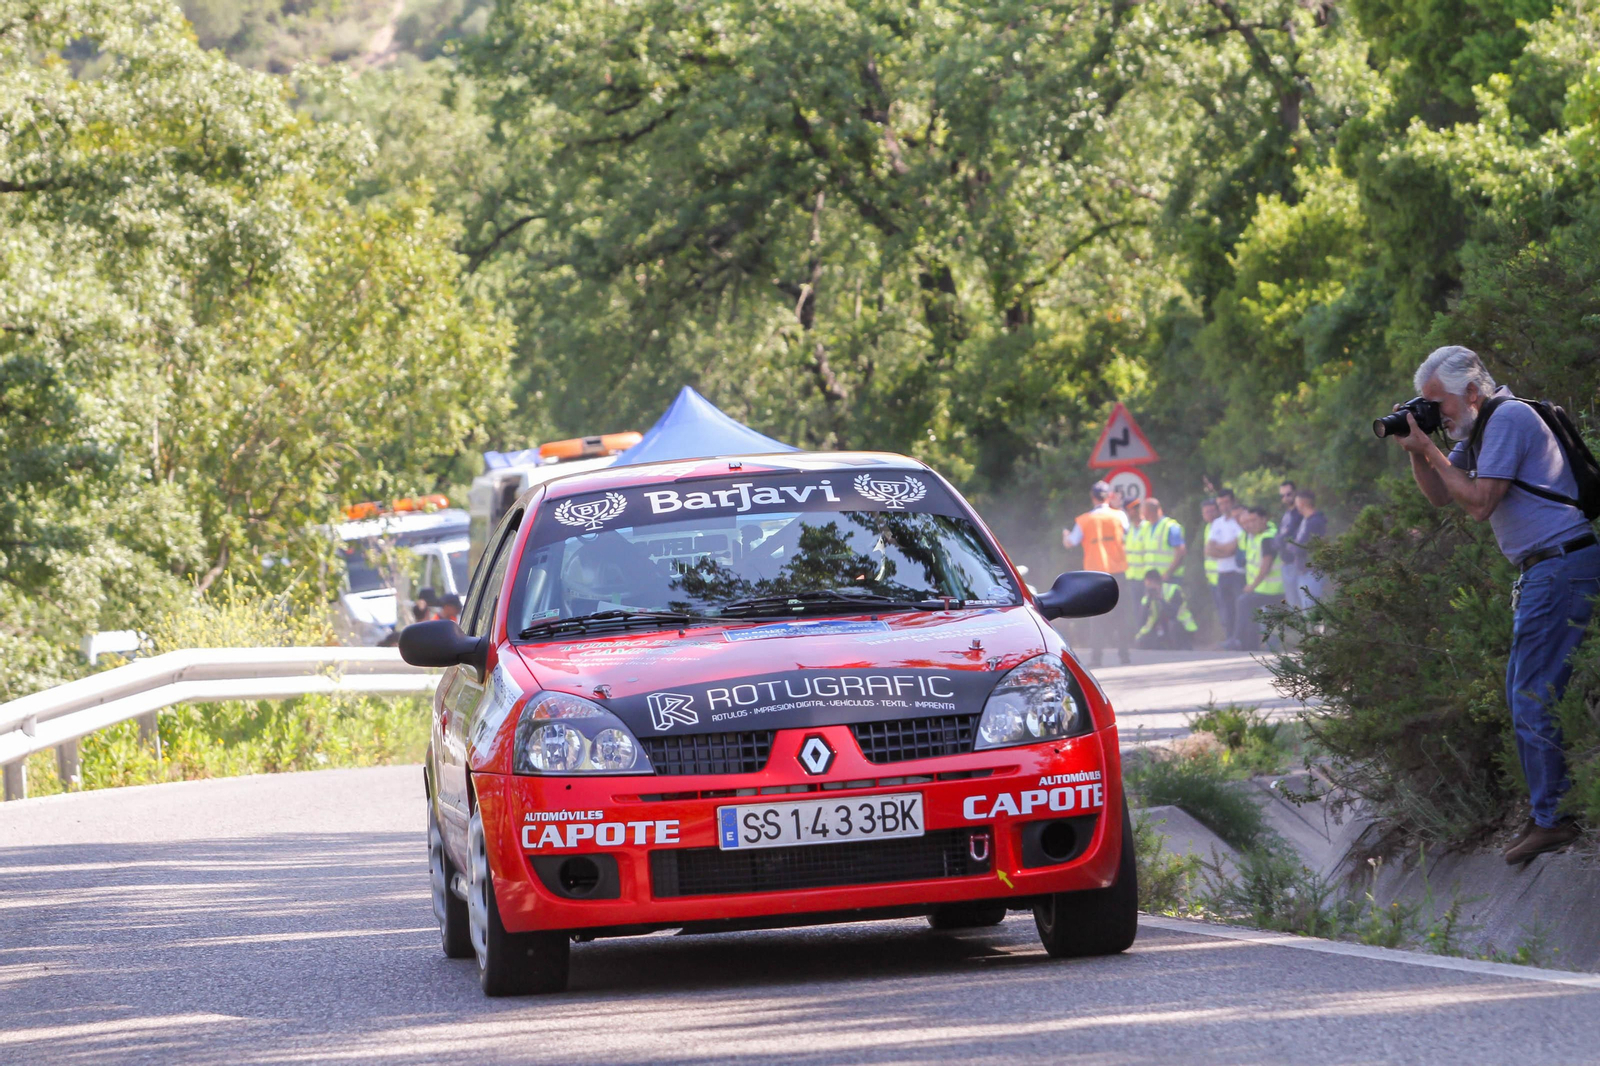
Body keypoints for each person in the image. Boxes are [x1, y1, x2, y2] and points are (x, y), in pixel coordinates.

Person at [1390, 345, 1600, 863]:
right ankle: (1548, 813)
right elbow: (1443, 495)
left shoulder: (1507, 419)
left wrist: (1431, 449)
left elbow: (1480, 504)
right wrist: (1419, 449)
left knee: (1532, 693)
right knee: (1524, 690)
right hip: (1546, 569)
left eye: (1440, 405)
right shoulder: (1479, 428)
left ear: (1472, 392)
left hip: (1558, 566)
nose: (1438, 416)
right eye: (1429, 406)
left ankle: (1554, 819)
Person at [1064, 480, 1131, 666]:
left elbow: (1071, 542)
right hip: (1118, 572)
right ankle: (1124, 656)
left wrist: (1065, 536)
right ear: (1108, 496)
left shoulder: (1084, 520)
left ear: (1092, 497)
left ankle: (1096, 658)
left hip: (1094, 575)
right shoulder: (1120, 516)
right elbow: (1129, 534)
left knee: (1097, 618)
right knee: (1121, 615)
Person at [1225, 508, 1284, 651]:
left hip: (1273, 589)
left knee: (1243, 602)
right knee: (1267, 621)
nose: (1250, 524)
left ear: (1264, 520)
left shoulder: (1267, 537)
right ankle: (1250, 644)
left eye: (1253, 520)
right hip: (1264, 588)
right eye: (1247, 521)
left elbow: (1266, 565)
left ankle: (1238, 639)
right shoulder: (1254, 537)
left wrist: (1252, 585)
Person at [1205, 488, 1246, 644]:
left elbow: (1234, 547)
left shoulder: (1240, 521)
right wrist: (1225, 550)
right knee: (1226, 608)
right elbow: (1209, 549)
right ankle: (1230, 638)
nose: (1223, 506)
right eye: (1220, 503)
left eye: (1226, 502)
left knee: (1239, 608)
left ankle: (1240, 639)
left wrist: (1221, 549)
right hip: (1222, 572)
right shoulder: (1217, 523)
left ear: (1233, 502)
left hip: (1237, 572)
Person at [1127, 497, 1186, 585]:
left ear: (1151, 511)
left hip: (1170, 578)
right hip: (1152, 580)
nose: (1142, 514)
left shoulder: (1170, 527)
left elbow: (1180, 552)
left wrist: (1169, 573)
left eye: (1144, 511)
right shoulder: (1146, 527)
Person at [1136, 568, 1197, 650]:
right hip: (1161, 626)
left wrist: (1160, 599)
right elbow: (1142, 620)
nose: (1149, 588)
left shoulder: (1173, 590)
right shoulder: (1147, 597)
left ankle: (1180, 645)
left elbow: (1174, 613)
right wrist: (1149, 601)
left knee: (1172, 625)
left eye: (1151, 585)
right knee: (1143, 641)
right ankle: (1162, 644)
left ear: (1157, 582)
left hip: (1181, 626)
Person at [1289, 489, 1328, 604]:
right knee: (1307, 608)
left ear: (1301, 503)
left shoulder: (1314, 522)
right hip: (1304, 572)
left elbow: (1303, 547)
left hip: (1311, 572)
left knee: (1312, 611)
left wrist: (1292, 547)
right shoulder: (1306, 521)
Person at [1277, 481, 1305, 610]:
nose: (1285, 498)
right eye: (1282, 496)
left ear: (1295, 493)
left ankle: (1315, 629)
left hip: (1298, 563)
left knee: (1305, 601)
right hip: (1286, 563)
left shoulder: (1300, 513)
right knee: (1293, 603)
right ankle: (1298, 629)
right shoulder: (1287, 514)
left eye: (1288, 494)